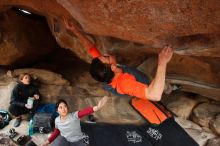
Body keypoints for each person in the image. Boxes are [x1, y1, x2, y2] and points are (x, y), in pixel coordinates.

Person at [63, 19, 198, 146]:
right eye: (106, 57)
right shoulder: (125, 83)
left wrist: (74, 30)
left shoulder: (104, 69)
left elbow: (90, 48)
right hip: (141, 86)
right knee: (154, 70)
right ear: (113, 68)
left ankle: (167, 84)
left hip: (128, 79)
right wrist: (162, 62)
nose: (106, 54)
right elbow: (155, 95)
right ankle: (170, 87)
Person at [42, 96, 109, 146]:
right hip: (66, 139)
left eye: (65, 106)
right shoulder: (57, 120)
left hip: (79, 140)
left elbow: (84, 112)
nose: (63, 109)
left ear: (67, 108)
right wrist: (48, 141)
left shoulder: (74, 115)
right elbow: (57, 131)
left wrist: (97, 107)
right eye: (61, 107)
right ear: (57, 111)